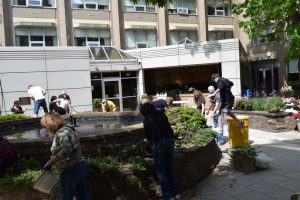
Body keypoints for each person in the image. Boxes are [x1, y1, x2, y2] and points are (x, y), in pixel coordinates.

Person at [41, 112, 91, 200]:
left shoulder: (62, 133)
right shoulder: (68, 129)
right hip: (79, 166)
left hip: (70, 169)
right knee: (81, 194)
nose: (46, 129)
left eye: (45, 127)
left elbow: (67, 150)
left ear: (50, 125)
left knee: (66, 197)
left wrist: (51, 162)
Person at [140, 103, 181, 200]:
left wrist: (151, 145)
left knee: (161, 170)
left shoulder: (146, 120)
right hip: (170, 140)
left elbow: (149, 136)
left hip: (158, 143)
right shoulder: (162, 115)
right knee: (170, 166)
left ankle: (168, 196)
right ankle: (177, 193)